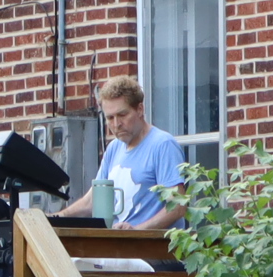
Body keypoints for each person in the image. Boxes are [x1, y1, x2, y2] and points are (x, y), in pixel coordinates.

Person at [56, 76, 190, 230]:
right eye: (110, 118)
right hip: (121, 248)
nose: (116, 124)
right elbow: (93, 200)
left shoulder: (163, 145)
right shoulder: (114, 148)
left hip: (153, 250)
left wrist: (137, 231)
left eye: (122, 115)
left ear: (140, 110)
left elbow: (178, 206)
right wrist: (57, 217)